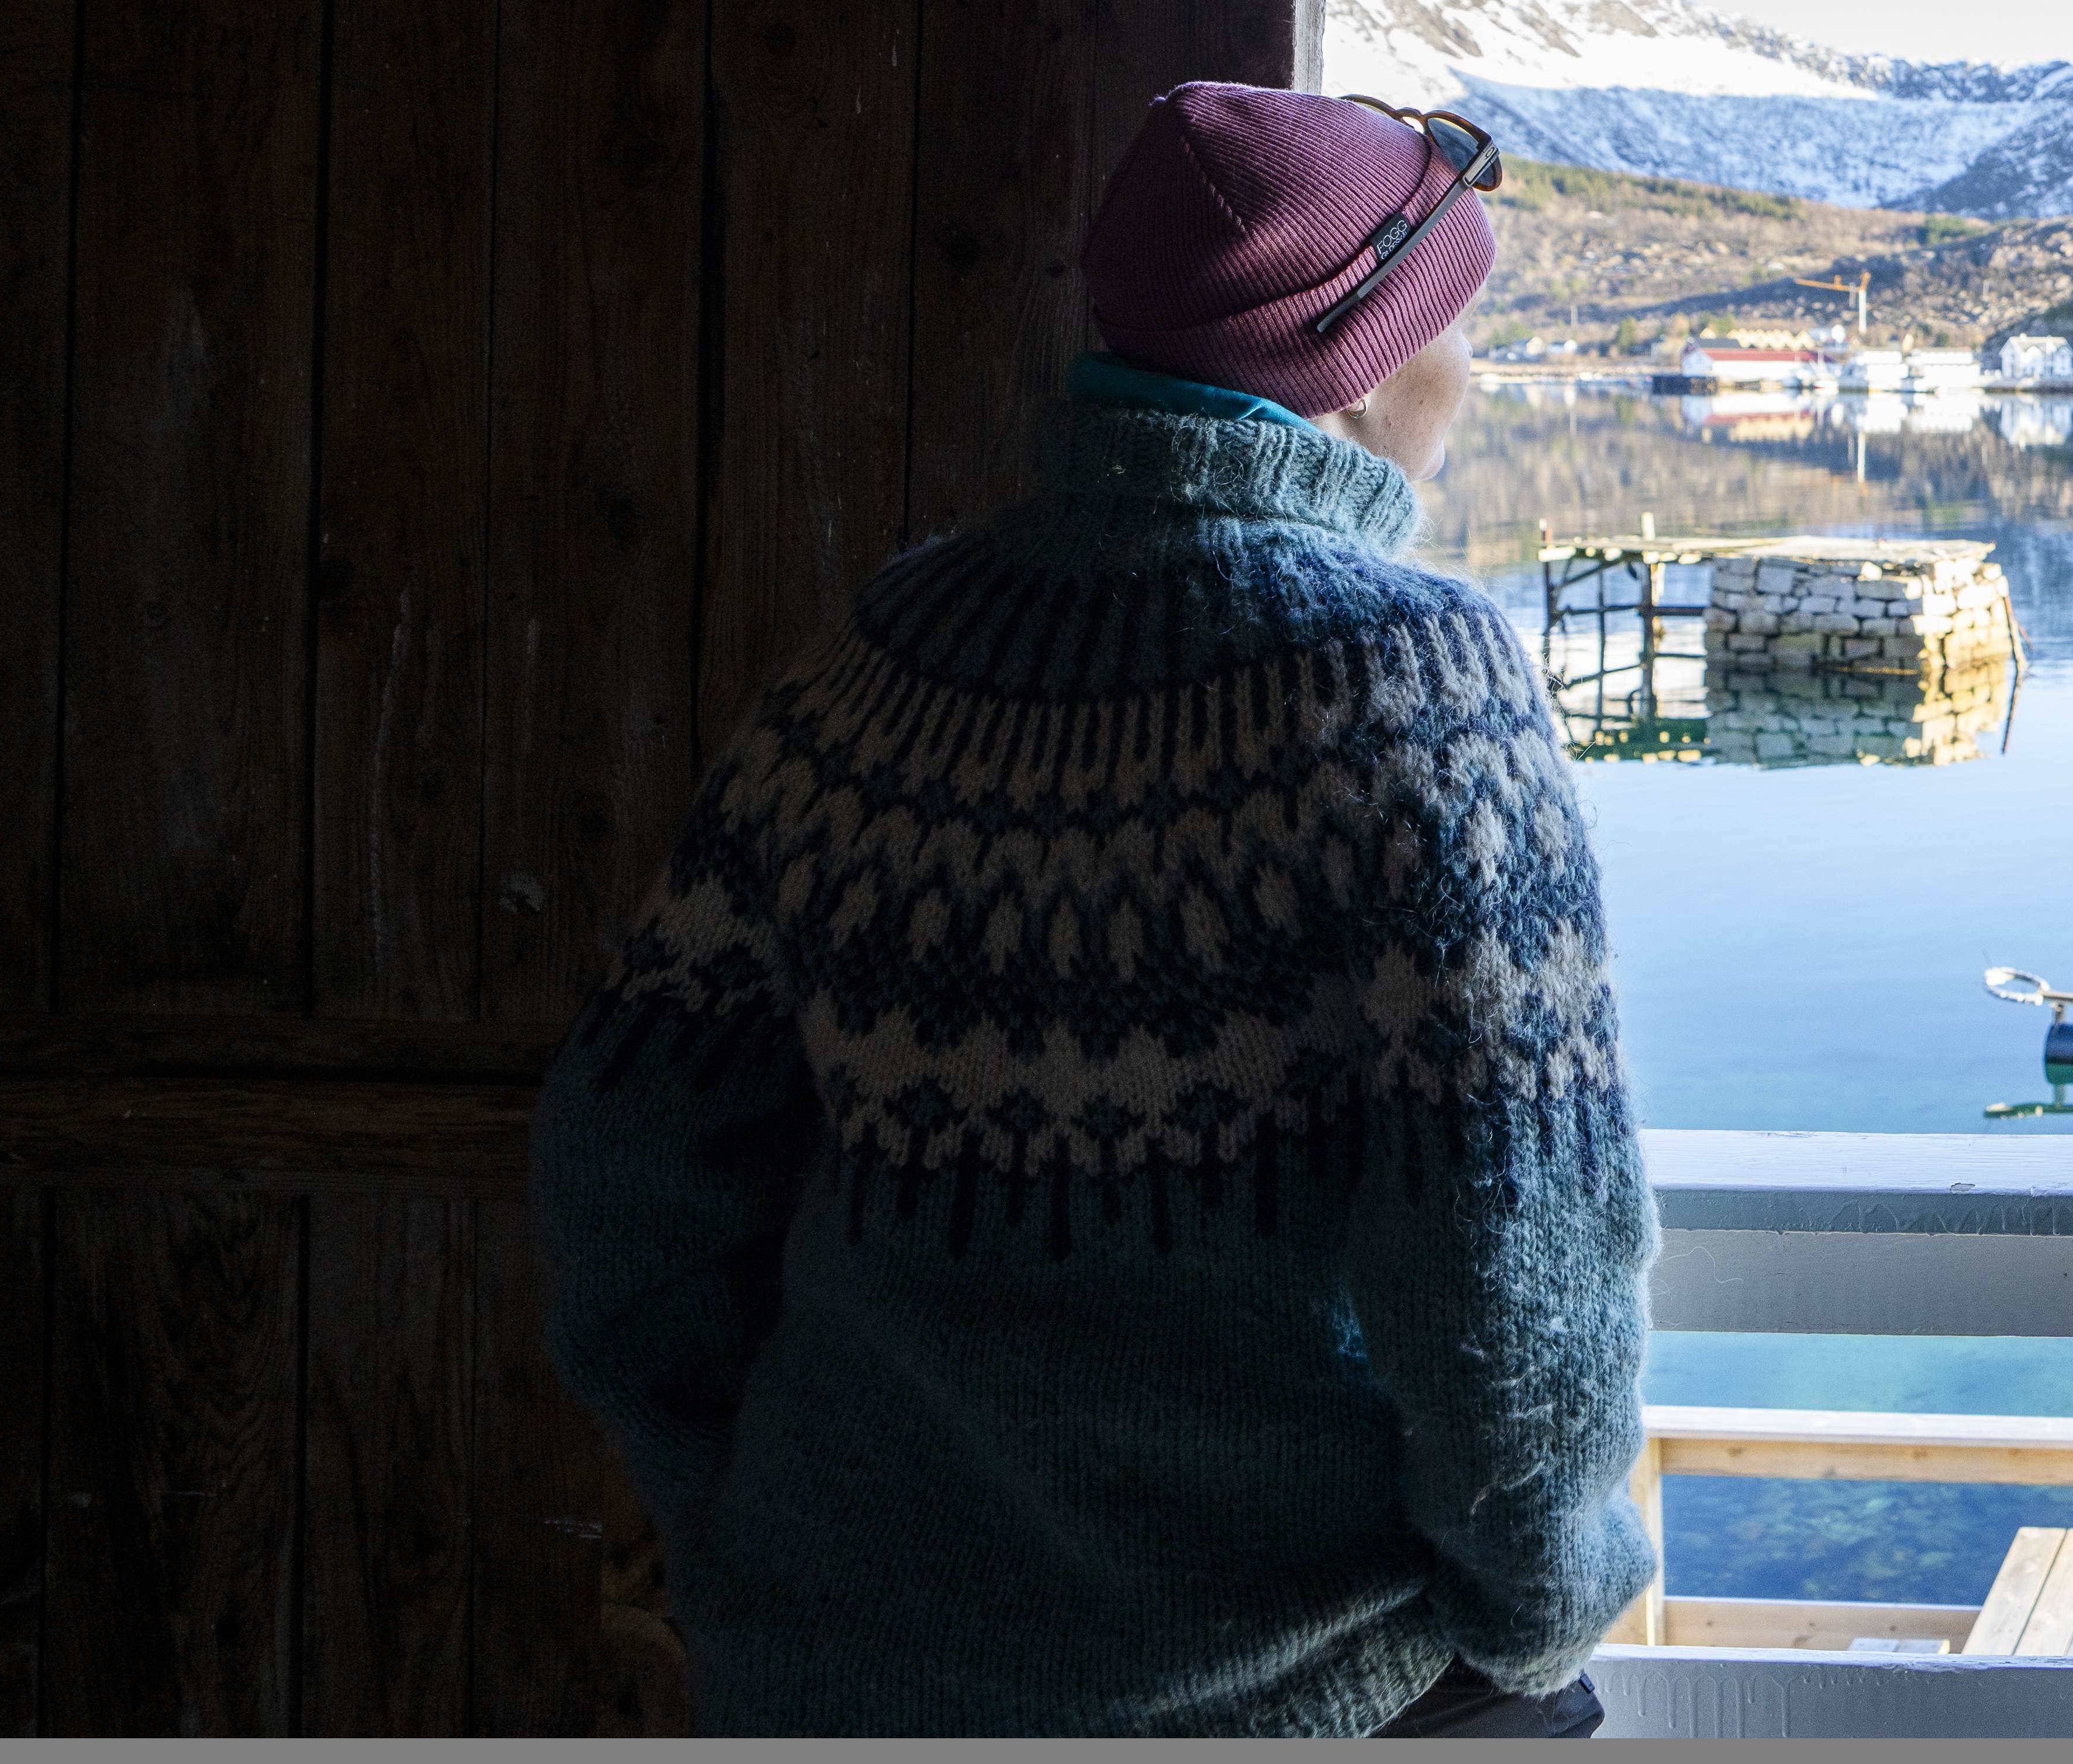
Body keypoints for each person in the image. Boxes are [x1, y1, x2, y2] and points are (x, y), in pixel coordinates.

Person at [532, 83, 1648, 1737]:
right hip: (1284, 1680)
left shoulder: (876, 666)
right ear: (1358, 365)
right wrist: (1541, 1608)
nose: (1470, 375)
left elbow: (625, 1155)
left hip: (834, 1655)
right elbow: (1510, 1252)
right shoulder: (1415, 685)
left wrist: (731, 1509)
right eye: (1454, 323)